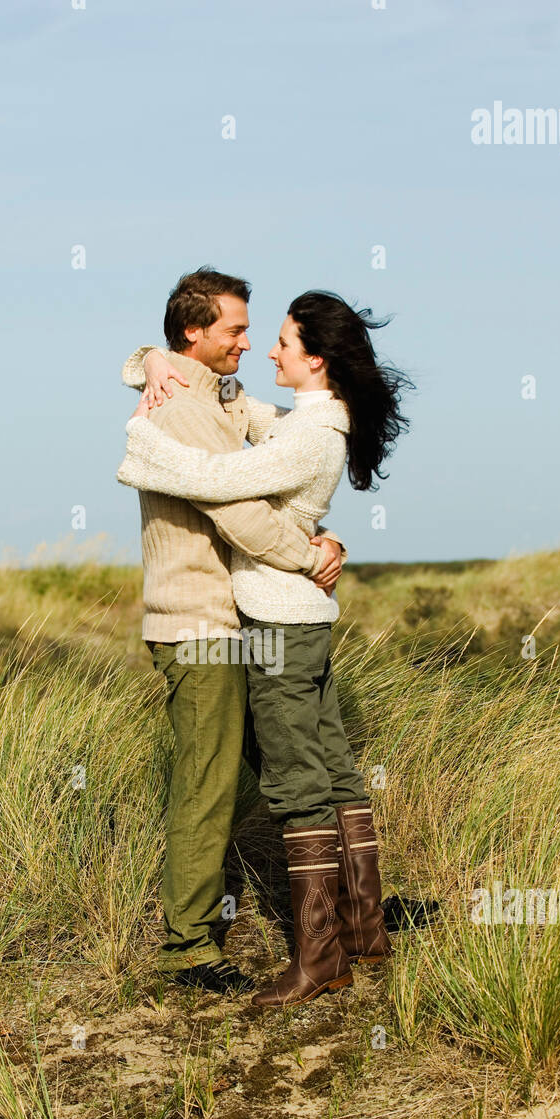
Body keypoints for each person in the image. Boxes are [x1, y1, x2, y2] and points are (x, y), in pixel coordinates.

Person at [118, 289, 413, 1006]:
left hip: (272, 618)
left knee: (292, 777)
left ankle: (323, 951)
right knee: (312, 765)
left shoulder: (303, 429)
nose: (259, 348)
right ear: (195, 332)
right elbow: (236, 425)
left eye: (274, 339)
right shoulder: (262, 413)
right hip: (251, 617)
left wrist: (141, 445)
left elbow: (227, 493)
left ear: (314, 358)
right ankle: (356, 926)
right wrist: (152, 362)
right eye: (243, 331)